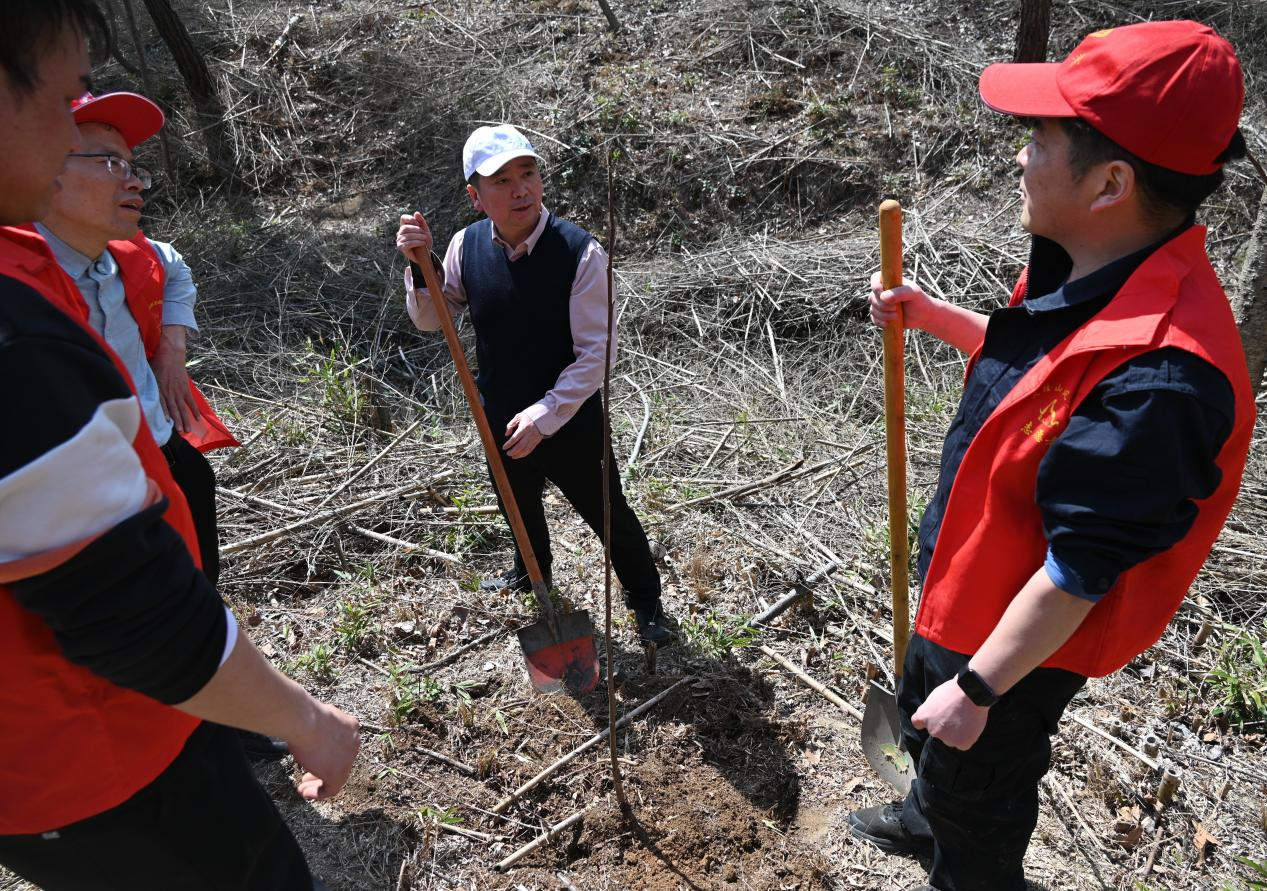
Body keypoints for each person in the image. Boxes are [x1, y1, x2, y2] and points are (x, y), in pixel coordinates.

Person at [849, 21, 1253, 891]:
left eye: (1038, 138)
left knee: (979, 781)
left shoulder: (1164, 378)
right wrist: (933, 315)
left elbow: (1076, 571)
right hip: (969, 576)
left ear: (1110, 182)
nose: (1018, 156)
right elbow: (1040, 372)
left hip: (1018, 642)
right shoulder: (1094, 264)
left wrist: (979, 691)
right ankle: (924, 812)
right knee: (930, 734)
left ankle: (969, 866)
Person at [0, 4, 359, 889]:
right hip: (95, 750)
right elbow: (128, 607)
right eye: (67, 104)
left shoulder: (70, 269)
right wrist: (305, 720)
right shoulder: (14, 330)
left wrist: (169, 350)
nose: (122, 172)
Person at [394, 124, 674, 645]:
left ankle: (646, 602)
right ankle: (531, 574)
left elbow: (597, 354)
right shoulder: (465, 246)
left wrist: (546, 415)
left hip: (570, 418)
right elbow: (435, 319)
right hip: (498, 411)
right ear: (476, 196)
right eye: (501, 181)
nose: (520, 189)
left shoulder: (580, 253)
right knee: (516, 503)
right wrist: (421, 266)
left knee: (607, 511)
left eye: (528, 174)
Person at [35, 90, 236, 588]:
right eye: (109, 162)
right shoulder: (20, 284)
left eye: (133, 166)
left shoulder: (128, 253)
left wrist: (171, 352)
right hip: (81, 504)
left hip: (165, 458)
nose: (133, 181)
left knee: (198, 599)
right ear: (41, 167)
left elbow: (176, 268)